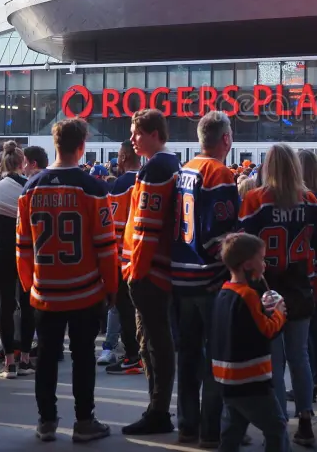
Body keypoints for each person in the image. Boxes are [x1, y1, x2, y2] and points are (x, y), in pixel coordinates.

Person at [17, 118, 118, 442]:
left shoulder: (30, 188)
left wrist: (28, 286)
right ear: (82, 146)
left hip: (44, 290)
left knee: (45, 357)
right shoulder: (93, 188)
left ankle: (46, 421)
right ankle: (84, 421)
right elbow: (106, 248)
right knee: (83, 357)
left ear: (54, 144)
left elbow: (22, 247)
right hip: (84, 290)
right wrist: (112, 289)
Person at [238, 144, 317, 447]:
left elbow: (243, 248)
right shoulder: (310, 201)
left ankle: (277, 426)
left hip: (266, 287)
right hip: (300, 284)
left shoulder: (254, 200)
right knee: (299, 356)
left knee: (273, 361)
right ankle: (305, 420)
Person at [173, 112, 239, 447]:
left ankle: (187, 424)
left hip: (181, 277)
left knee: (187, 355)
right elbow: (222, 236)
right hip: (210, 280)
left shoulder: (185, 170)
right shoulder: (219, 172)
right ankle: (210, 431)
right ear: (225, 139)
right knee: (216, 358)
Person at [121, 109, 181, 435]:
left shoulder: (156, 169)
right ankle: (156, 408)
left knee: (154, 342)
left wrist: (136, 272)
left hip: (149, 272)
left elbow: (145, 227)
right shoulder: (169, 165)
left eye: (137, 132)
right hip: (158, 269)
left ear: (155, 132)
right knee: (154, 341)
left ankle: (158, 410)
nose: (132, 139)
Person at [211, 233, 288, 452]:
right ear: (247, 264)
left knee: (232, 429)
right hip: (251, 381)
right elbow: (267, 330)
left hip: (227, 378)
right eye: (261, 259)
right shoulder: (248, 295)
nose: (264, 264)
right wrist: (279, 314)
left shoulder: (224, 293)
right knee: (276, 427)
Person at [0, 141, 35, 377]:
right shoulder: (31, 187)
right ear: (23, 163)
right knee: (28, 303)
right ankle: (25, 358)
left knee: (4, 303)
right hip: (27, 249)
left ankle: (9, 362)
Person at [100, 140, 143, 375]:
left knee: (125, 308)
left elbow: (114, 225)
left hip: (126, 256)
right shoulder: (149, 179)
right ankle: (143, 354)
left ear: (124, 157)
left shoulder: (122, 183)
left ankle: (133, 356)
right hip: (148, 254)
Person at [299, 149, 317, 401]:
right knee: (315, 328)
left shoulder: (301, 199)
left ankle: (311, 382)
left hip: (301, 271)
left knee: (301, 336)